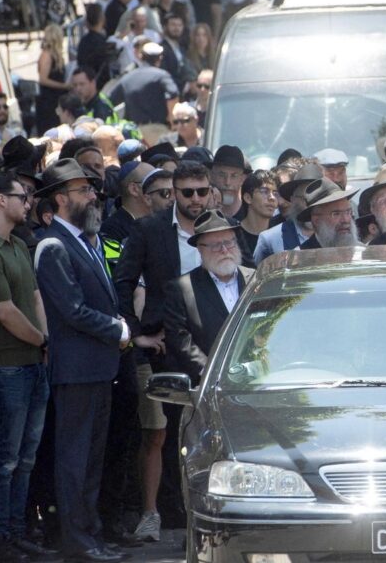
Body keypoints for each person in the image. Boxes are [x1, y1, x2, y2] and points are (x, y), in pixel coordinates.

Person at [33, 158, 129, 562]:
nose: (93, 196)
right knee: (74, 460)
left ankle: (90, 534)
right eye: (83, 190)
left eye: (92, 189)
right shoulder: (53, 244)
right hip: (76, 370)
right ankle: (78, 540)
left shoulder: (85, 240)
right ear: (60, 198)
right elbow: (71, 310)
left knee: (90, 460)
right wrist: (117, 329)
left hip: (96, 367)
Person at [114, 161, 214, 536]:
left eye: (202, 191)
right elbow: (121, 284)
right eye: (187, 192)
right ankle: (164, 512)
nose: (195, 199)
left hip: (212, 349)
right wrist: (136, 333)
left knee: (205, 431)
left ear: (210, 191)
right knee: (164, 433)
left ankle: (198, 511)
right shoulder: (150, 230)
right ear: (174, 192)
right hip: (163, 349)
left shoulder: (220, 228)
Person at [0, 173, 53, 562]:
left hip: (32, 364)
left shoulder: (18, 243)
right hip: (5, 368)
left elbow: (34, 298)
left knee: (26, 456)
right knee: (4, 458)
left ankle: (17, 531)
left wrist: (43, 341)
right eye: (23, 196)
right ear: (1, 200)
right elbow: (4, 312)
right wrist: (43, 341)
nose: (28, 202)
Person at [164, 210, 253, 383]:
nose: (224, 250)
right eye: (215, 245)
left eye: (229, 242)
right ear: (200, 249)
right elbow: (180, 338)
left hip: (255, 379)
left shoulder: (255, 280)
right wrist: (211, 372)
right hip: (207, 384)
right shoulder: (182, 288)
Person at [254, 162, 323, 263]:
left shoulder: (339, 233)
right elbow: (257, 276)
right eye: (305, 198)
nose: (310, 204)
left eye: (317, 197)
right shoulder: (269, 239)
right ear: (293, 199)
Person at [109, 43, 179, 127]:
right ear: (160, 58)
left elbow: (109, 101)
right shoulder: (162, 76)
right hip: (159, 130)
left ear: (141, 57)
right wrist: (172, 118)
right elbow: (173, 94)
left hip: (134, 133)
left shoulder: (128, 78)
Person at [299, 179, 361, 249]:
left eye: (348, 212)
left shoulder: (362, 251)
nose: (346, 220)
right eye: (336, 214)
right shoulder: (300, 256)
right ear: (317, 221)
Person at [36, 25, 71, 135]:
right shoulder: (47, 55)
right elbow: (43, 79)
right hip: (48, 100)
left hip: (56, 98)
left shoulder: (56, 55)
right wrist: (63, 86)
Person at [238, 170, 279, 255]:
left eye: (275, 193)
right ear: (248, 198)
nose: (272, 198)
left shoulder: (280, 233)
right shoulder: (234, 236)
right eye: (264, 191)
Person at [160, 13, 191, 90]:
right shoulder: (161, 48)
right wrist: (184, 86)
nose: (177, 28)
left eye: (179, 25)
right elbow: (165, 73)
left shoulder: (182, 48)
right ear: (165, 27)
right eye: (173, 25)